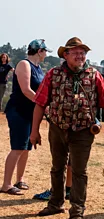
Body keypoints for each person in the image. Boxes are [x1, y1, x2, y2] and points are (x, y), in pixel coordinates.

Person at [30, 37, 104, 219]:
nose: (80, 56)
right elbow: (40, 103)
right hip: (57, 127)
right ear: (66, 55)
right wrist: (34, 131)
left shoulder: (94, 75)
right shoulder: (53, 74)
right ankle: (55, 204)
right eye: (76, 52)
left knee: (79, 172)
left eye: (83, 52)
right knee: (57, 167)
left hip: (83, 131)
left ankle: (76, 214)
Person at [0, 40, 49, 196]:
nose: (46, 54)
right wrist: (44, 105)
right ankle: (6, 184)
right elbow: (26, 90)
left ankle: (19, 179)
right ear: (39, 51)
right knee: (18, 147)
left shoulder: (38, 68)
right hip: (18, 110)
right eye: (45, 51)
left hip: (30, 112)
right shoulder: (24, 64)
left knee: (26, 147)